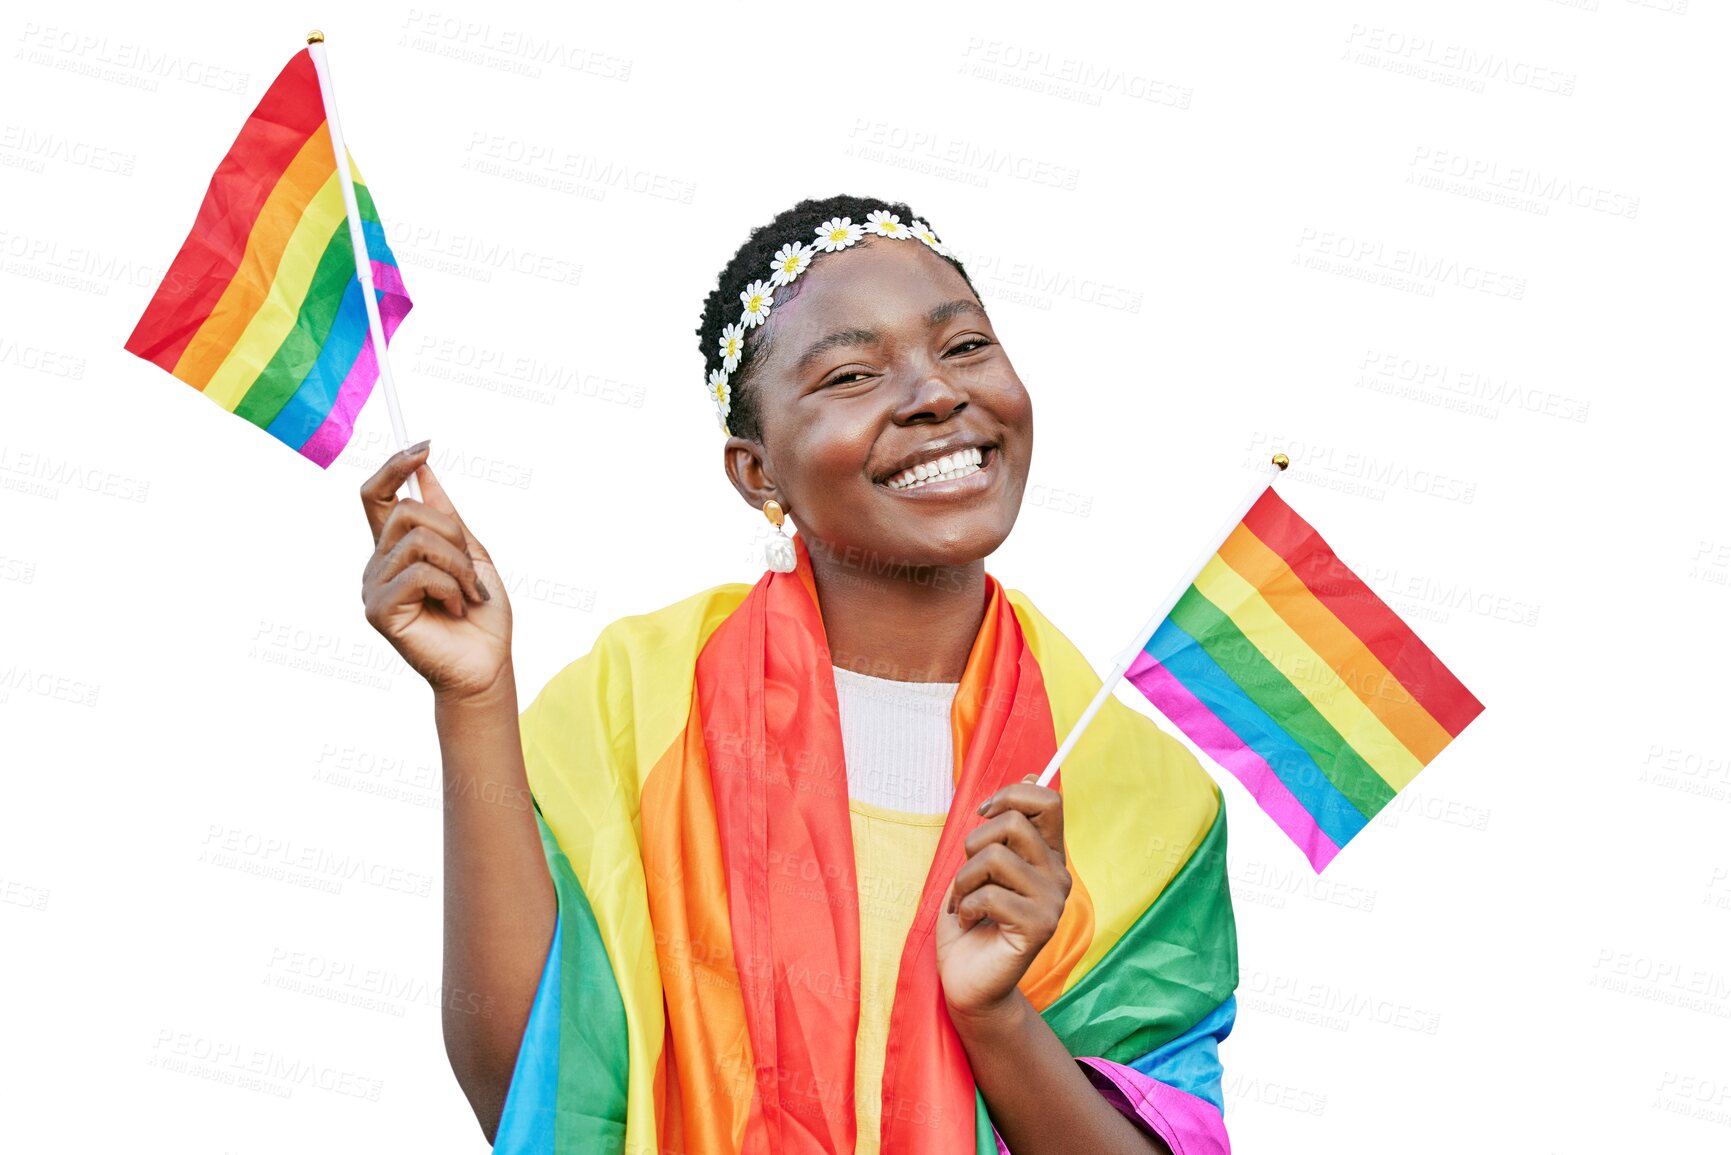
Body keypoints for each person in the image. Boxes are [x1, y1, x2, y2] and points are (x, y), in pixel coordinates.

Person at [359, 195, 1239, 1154]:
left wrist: (995, 1018)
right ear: (755, 471)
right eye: (853, 373)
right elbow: (528, 1090)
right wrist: (473, 699)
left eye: (965, 347)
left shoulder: (1140, 786)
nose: (935, 394)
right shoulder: (641, 705)